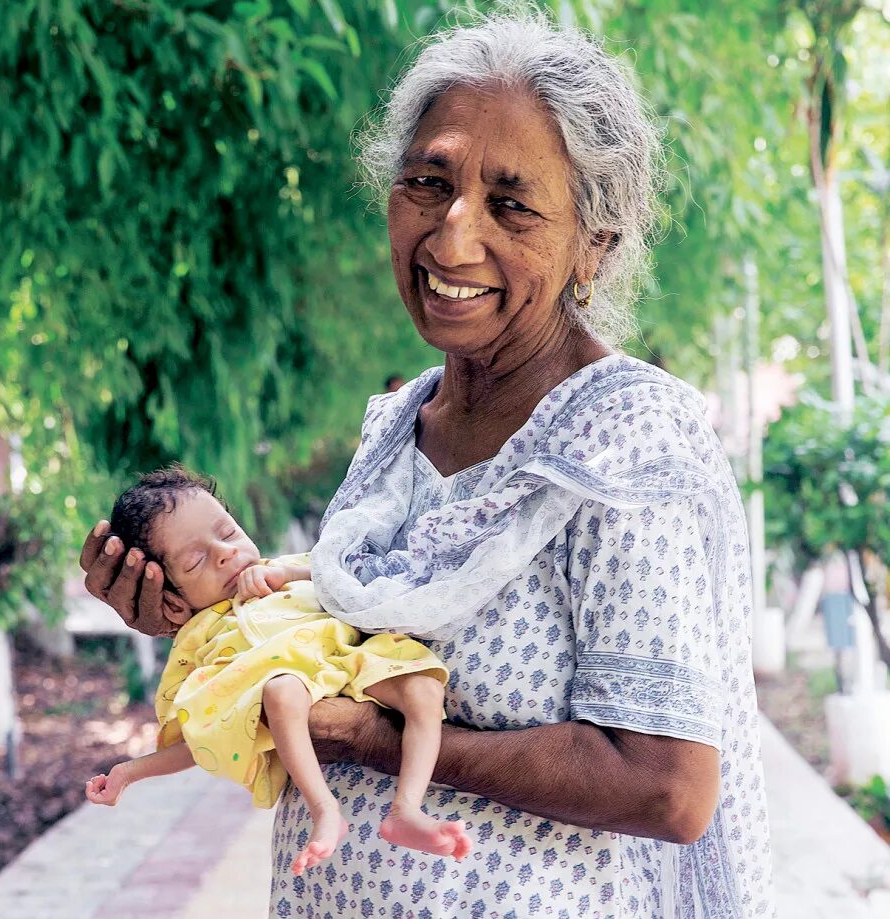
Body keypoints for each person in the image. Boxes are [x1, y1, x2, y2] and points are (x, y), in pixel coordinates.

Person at [80, 9, 775, 917]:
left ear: (593, 246)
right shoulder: (394, 429)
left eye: (512, 204)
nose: (451, 238)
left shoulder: (627, 443)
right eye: (428, 181)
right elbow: (325, 649)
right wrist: (197, 613)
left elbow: (667, 786)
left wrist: (379, 740)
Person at [83, 467, 467, 876]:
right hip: (296, 684)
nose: (224, 552)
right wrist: (129, 772)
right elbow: (206, 730)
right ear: (175, 604)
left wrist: (289, 573)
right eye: (196, 560)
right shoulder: (205, 635)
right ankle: (324, 810)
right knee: (281, 691)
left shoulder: (283, 569)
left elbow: (346, 578)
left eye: (227, 533)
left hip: (355, 656)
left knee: (424, 688)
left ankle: (406, 808)